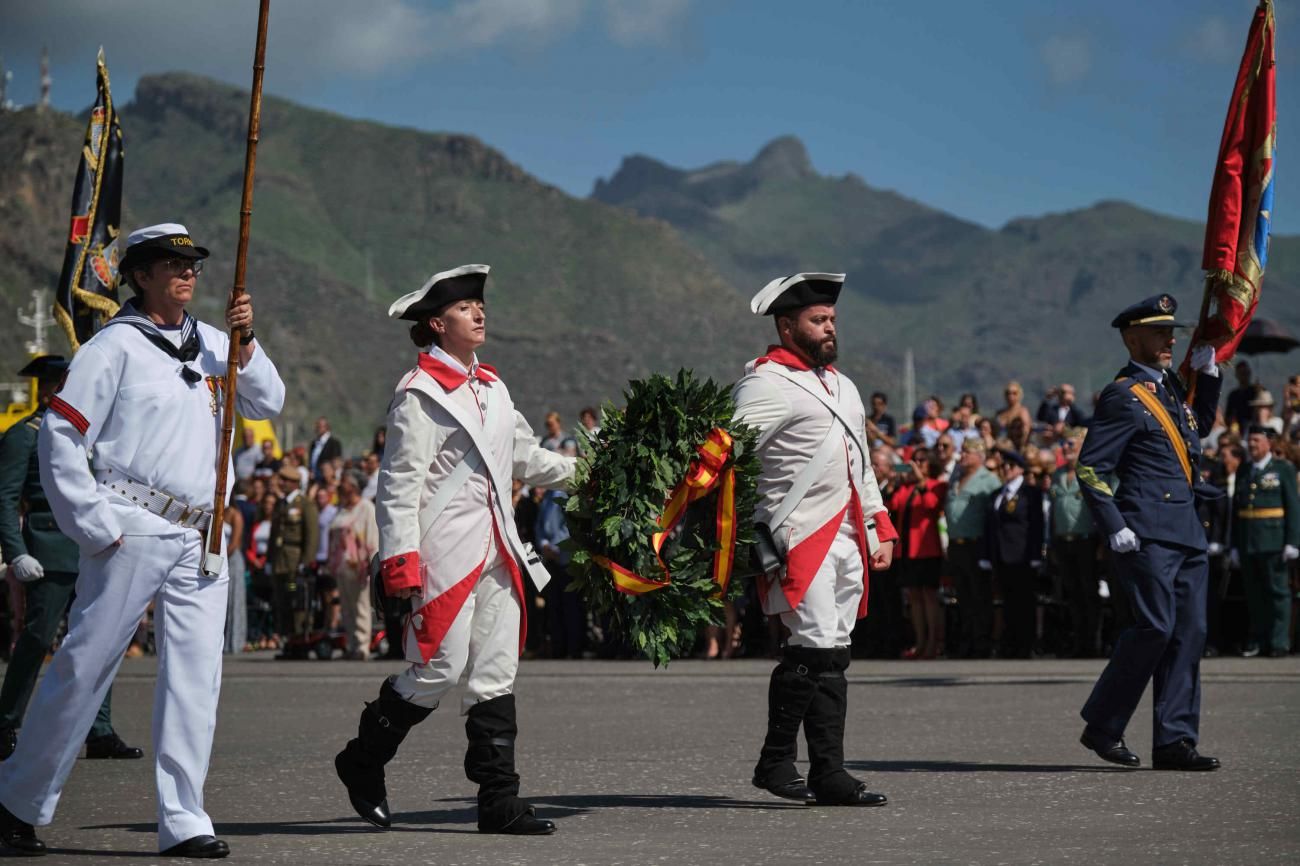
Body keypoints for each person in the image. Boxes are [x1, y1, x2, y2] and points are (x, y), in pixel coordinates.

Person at [0, 223, 284, 857]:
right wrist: (93, 526)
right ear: (140, 275)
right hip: (132, 523)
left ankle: (185, 819)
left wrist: (247, 343)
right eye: (169, 264)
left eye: (193, 266)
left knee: (195, 679)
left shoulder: (217, 344)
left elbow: (269, 402)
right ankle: (17, 800)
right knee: (84, 667)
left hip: (202, 535)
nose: (186, 274)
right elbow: (62, 436)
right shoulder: (112, 349)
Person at [334, 264, 574, 836]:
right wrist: (399, 563)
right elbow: (397, 484)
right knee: (440, 668)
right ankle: (362, 759)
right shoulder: (417, 395)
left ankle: (499, 799)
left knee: (495, 671)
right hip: (442, 552)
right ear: (438, 323)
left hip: (499, 548)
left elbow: (526, 458)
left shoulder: (493, 386)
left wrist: (587, 473)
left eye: (479, 306)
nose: (479, 313)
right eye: (466, 308)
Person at [733, 272, 898, 807]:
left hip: (847, 535)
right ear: (787, 325)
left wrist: (878, 523)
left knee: (834, 652)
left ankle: (825, 773)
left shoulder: (844, 386)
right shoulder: (763, 384)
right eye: (817, 320)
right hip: (795, 536)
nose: (829, 328)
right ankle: (780, 761)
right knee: (814, 648)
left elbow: (860, 465)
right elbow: (721, 457)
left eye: (831, 320)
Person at [1075, 294, 1222, 771]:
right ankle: (1102, 725)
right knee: (1155, 628)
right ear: (1132, 337)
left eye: (1171, 333)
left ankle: (1175, 741)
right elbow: (1091, 469)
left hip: (1187, 530)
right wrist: (1115, 525)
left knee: (1189, 633)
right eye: (1160, 333)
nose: (1170, 340)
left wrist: (1212, 380)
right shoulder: (1124, 395)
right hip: (1148, 532)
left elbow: (1194, 436)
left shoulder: (1173, 390)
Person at [0, 355, 143, 763]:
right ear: (47, 390)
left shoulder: (92, 434)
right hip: (49, 551)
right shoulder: (23, 435)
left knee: (102, 638)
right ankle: (6, 721)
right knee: (37, 639)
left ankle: (98, 731)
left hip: (95, 546)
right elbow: (6, 498)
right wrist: (17, 553)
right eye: (62, 384)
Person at [1230, 426, 1299, 657]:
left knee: (1278, 594)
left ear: (1269, 443)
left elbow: (1292, 507)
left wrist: (1292, 541)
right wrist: (1234, 545)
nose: (1252, 446)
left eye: (1257, 441)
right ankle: (1258, 640)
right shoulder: (1245, 469)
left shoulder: (1283, 469)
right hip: (1248, 541)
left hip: (1274, 541)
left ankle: (1279, 642)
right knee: (1254, 595)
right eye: (1250, 441)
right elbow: (1236, 510)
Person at [981, 450, 1044, 659]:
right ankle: (1011, 643)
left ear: (1020, 469)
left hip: (1022, 555)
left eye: (1011, 466)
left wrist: (1035, 554)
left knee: (1024, 602)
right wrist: (988, 555)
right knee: (1007, 602)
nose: (1006, 469)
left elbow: (1036, 525)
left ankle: (1026, 644)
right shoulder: (997, 494)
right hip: (1001, 556)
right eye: (1004, 466)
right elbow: (991, 528)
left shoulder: (1030, 493)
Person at [889, 449, 947, 659]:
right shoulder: (908, 488)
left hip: (927, 549)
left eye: (921, 460)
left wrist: (921, 479)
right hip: (907, 550)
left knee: (929, 596)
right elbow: (892, 504)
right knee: (914, 597)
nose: (916, 464)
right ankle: (920, 641)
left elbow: (932, 504)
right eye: (914, 461)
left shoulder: (936, 485)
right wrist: (895, 481)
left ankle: (934, 642)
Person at [944, 439, 1001, 658]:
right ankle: (965, 641)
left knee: (980, 595)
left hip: (976, 544)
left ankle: (982, 643)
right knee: (963, 596)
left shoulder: (989, 480)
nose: (962, 456)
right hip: (957, 544)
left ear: (979, 455)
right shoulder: (956, 477)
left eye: (967, 452)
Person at [1050, 431, 1102, 657]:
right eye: (1064, 444)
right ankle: (1079, 642)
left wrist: (1102, 543)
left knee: (1090, 593)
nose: (1066, 448)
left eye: (1071, 444)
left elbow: (1101, 510)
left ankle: (1094, 643)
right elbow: (1052, 512)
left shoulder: (1092, 472)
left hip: (1087, 541)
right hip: (1064, 541)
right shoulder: (1057, 475)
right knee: (1072, 593)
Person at [328, 470, 379, 660]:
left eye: (345, 485)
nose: (341, 488)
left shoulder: (366, 508)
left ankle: (363, 646)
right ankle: (351, 643)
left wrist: (369, 562)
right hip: (342, 566)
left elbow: (372, 536)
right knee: (347, 607)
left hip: (358, 565)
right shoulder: (342, 510)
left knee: (361, 606)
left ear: (354, 487)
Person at [268, 464, 319, 643]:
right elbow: (274, 533)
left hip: (295, 560)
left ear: (294, 483)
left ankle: (300, 638)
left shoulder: (305, 504)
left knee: (297, 599)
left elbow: (312, 535)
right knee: (282, 601)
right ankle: (288, 638)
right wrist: (270, 559)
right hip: (280, 560)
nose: (281, 483)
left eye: (285, 480)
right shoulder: (281, 503)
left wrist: (306, 561)